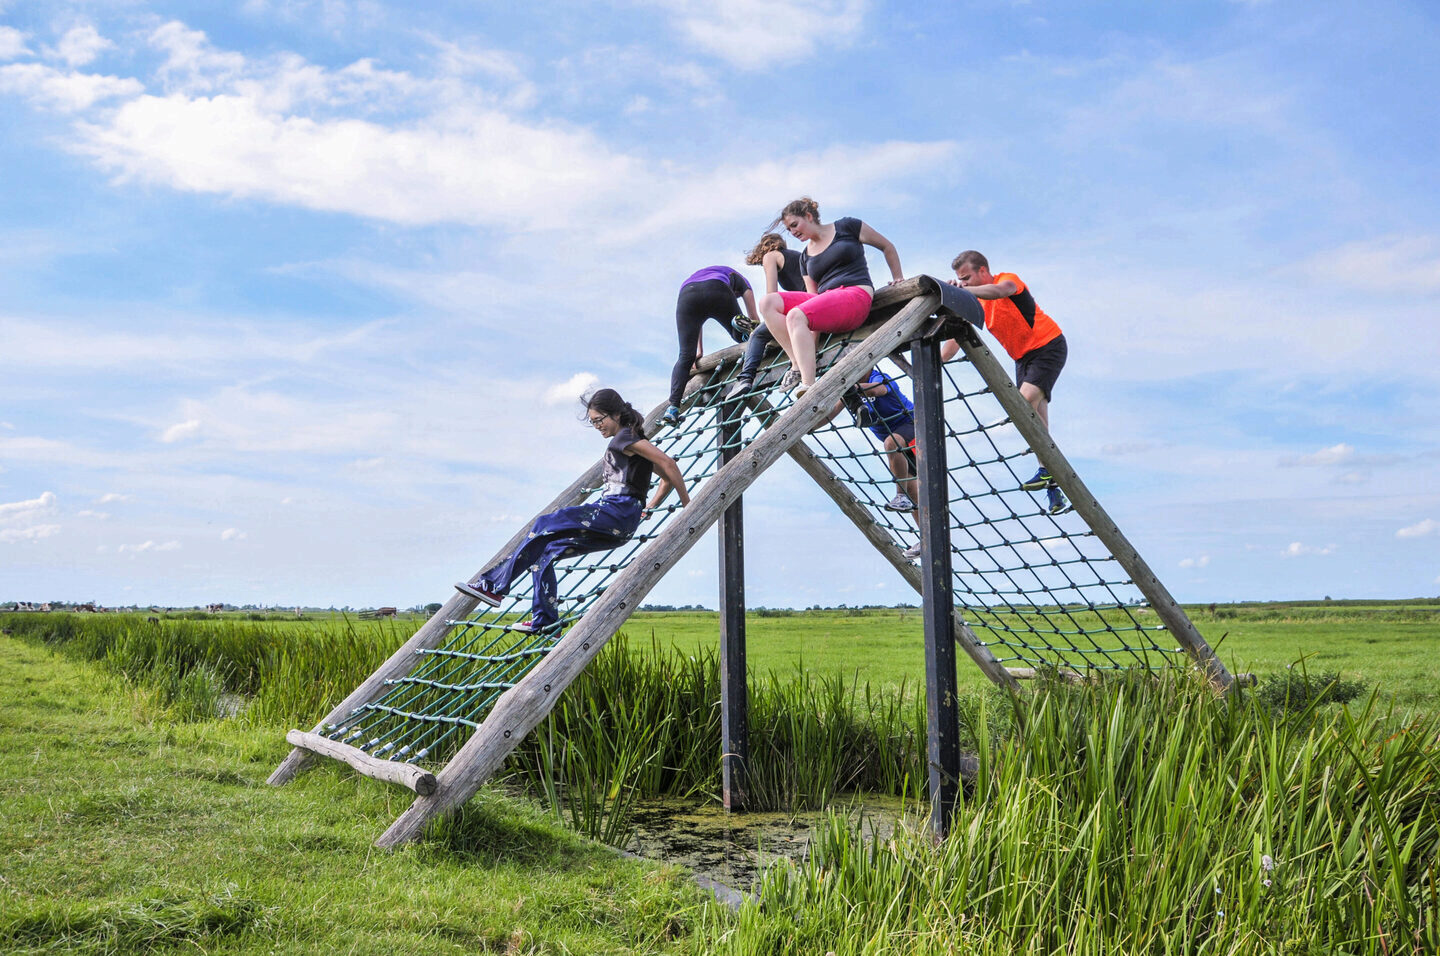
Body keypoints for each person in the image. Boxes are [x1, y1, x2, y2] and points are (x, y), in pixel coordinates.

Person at [456, 389, 691, 631]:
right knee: (545, 552)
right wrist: (650, 506)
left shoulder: (624, 438)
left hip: (615, 511)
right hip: (621, 522)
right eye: (593, 422)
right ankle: (545, 621)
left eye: (600, 420)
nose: (598, 426)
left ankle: (493, 587)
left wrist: (687, 505)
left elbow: (668, 464)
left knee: (543, 524)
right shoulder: (632, 442)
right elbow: (666, 477)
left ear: (616, 414)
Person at [941, 250, 1069, 515]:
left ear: (983, 271)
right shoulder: (977, 302)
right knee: (1035, 420)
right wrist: (935, 361)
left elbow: (1001, 291)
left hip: (1047, 347)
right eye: (959, 280)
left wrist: (965, 293)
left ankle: (1050, 474)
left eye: (966, 278)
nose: (963, 283)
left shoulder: (1006, 280)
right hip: (1023, 360)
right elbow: (952, 345)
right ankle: (1051, 478)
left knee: (1020, 406)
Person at [756, 197, 903, 398]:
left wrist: (898, 278)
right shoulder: (805, 256)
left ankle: (808, 385)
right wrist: (810, 347)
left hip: (854, 294)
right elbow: (812, 299)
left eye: (794, 225)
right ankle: (798, 364)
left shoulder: (847, 227)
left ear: (808, 216)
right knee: (768, 302)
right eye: (789, 229)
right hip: (828, 302)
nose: (792, 232)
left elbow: (887, 246)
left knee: (795, 315)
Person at [821, 363, 925, 559]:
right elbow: (829, 416)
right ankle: (926, 536)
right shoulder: (851, 394)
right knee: (913, 489)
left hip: (912, 425)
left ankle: (899, 496)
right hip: (900, 444)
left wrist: (850, 386)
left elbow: (879, 389)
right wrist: (807, 428)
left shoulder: (878, 377)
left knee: (891, 443)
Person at [664, 265, 761, 426]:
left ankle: (673, 408)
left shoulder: (695, 276)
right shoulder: (741, 280)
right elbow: (754, 318)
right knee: (747, 335)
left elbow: (697, 323)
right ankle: (740, 328)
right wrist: (754, 328)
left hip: (687, 295)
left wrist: (698, 351)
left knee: (685, 356)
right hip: (718, 289)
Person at [727, 232, 809, 399]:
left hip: (803, 307)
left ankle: (745, 378)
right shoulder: (796, 256)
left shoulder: (771, 256)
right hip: (811, 303)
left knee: (758, 335)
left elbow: (772, 295)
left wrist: (770, 320)